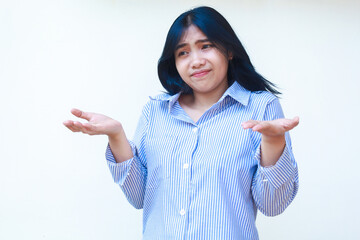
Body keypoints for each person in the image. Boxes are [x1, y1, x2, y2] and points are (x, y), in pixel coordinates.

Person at [64, 6, 299, 240]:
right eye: (183, 52)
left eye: (206, 46)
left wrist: (274, 141)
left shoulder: (261, 108)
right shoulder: (155, 112)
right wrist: (116, 136)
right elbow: (139, 197)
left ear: (228, 50)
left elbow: (273, 205)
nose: (195, 61)